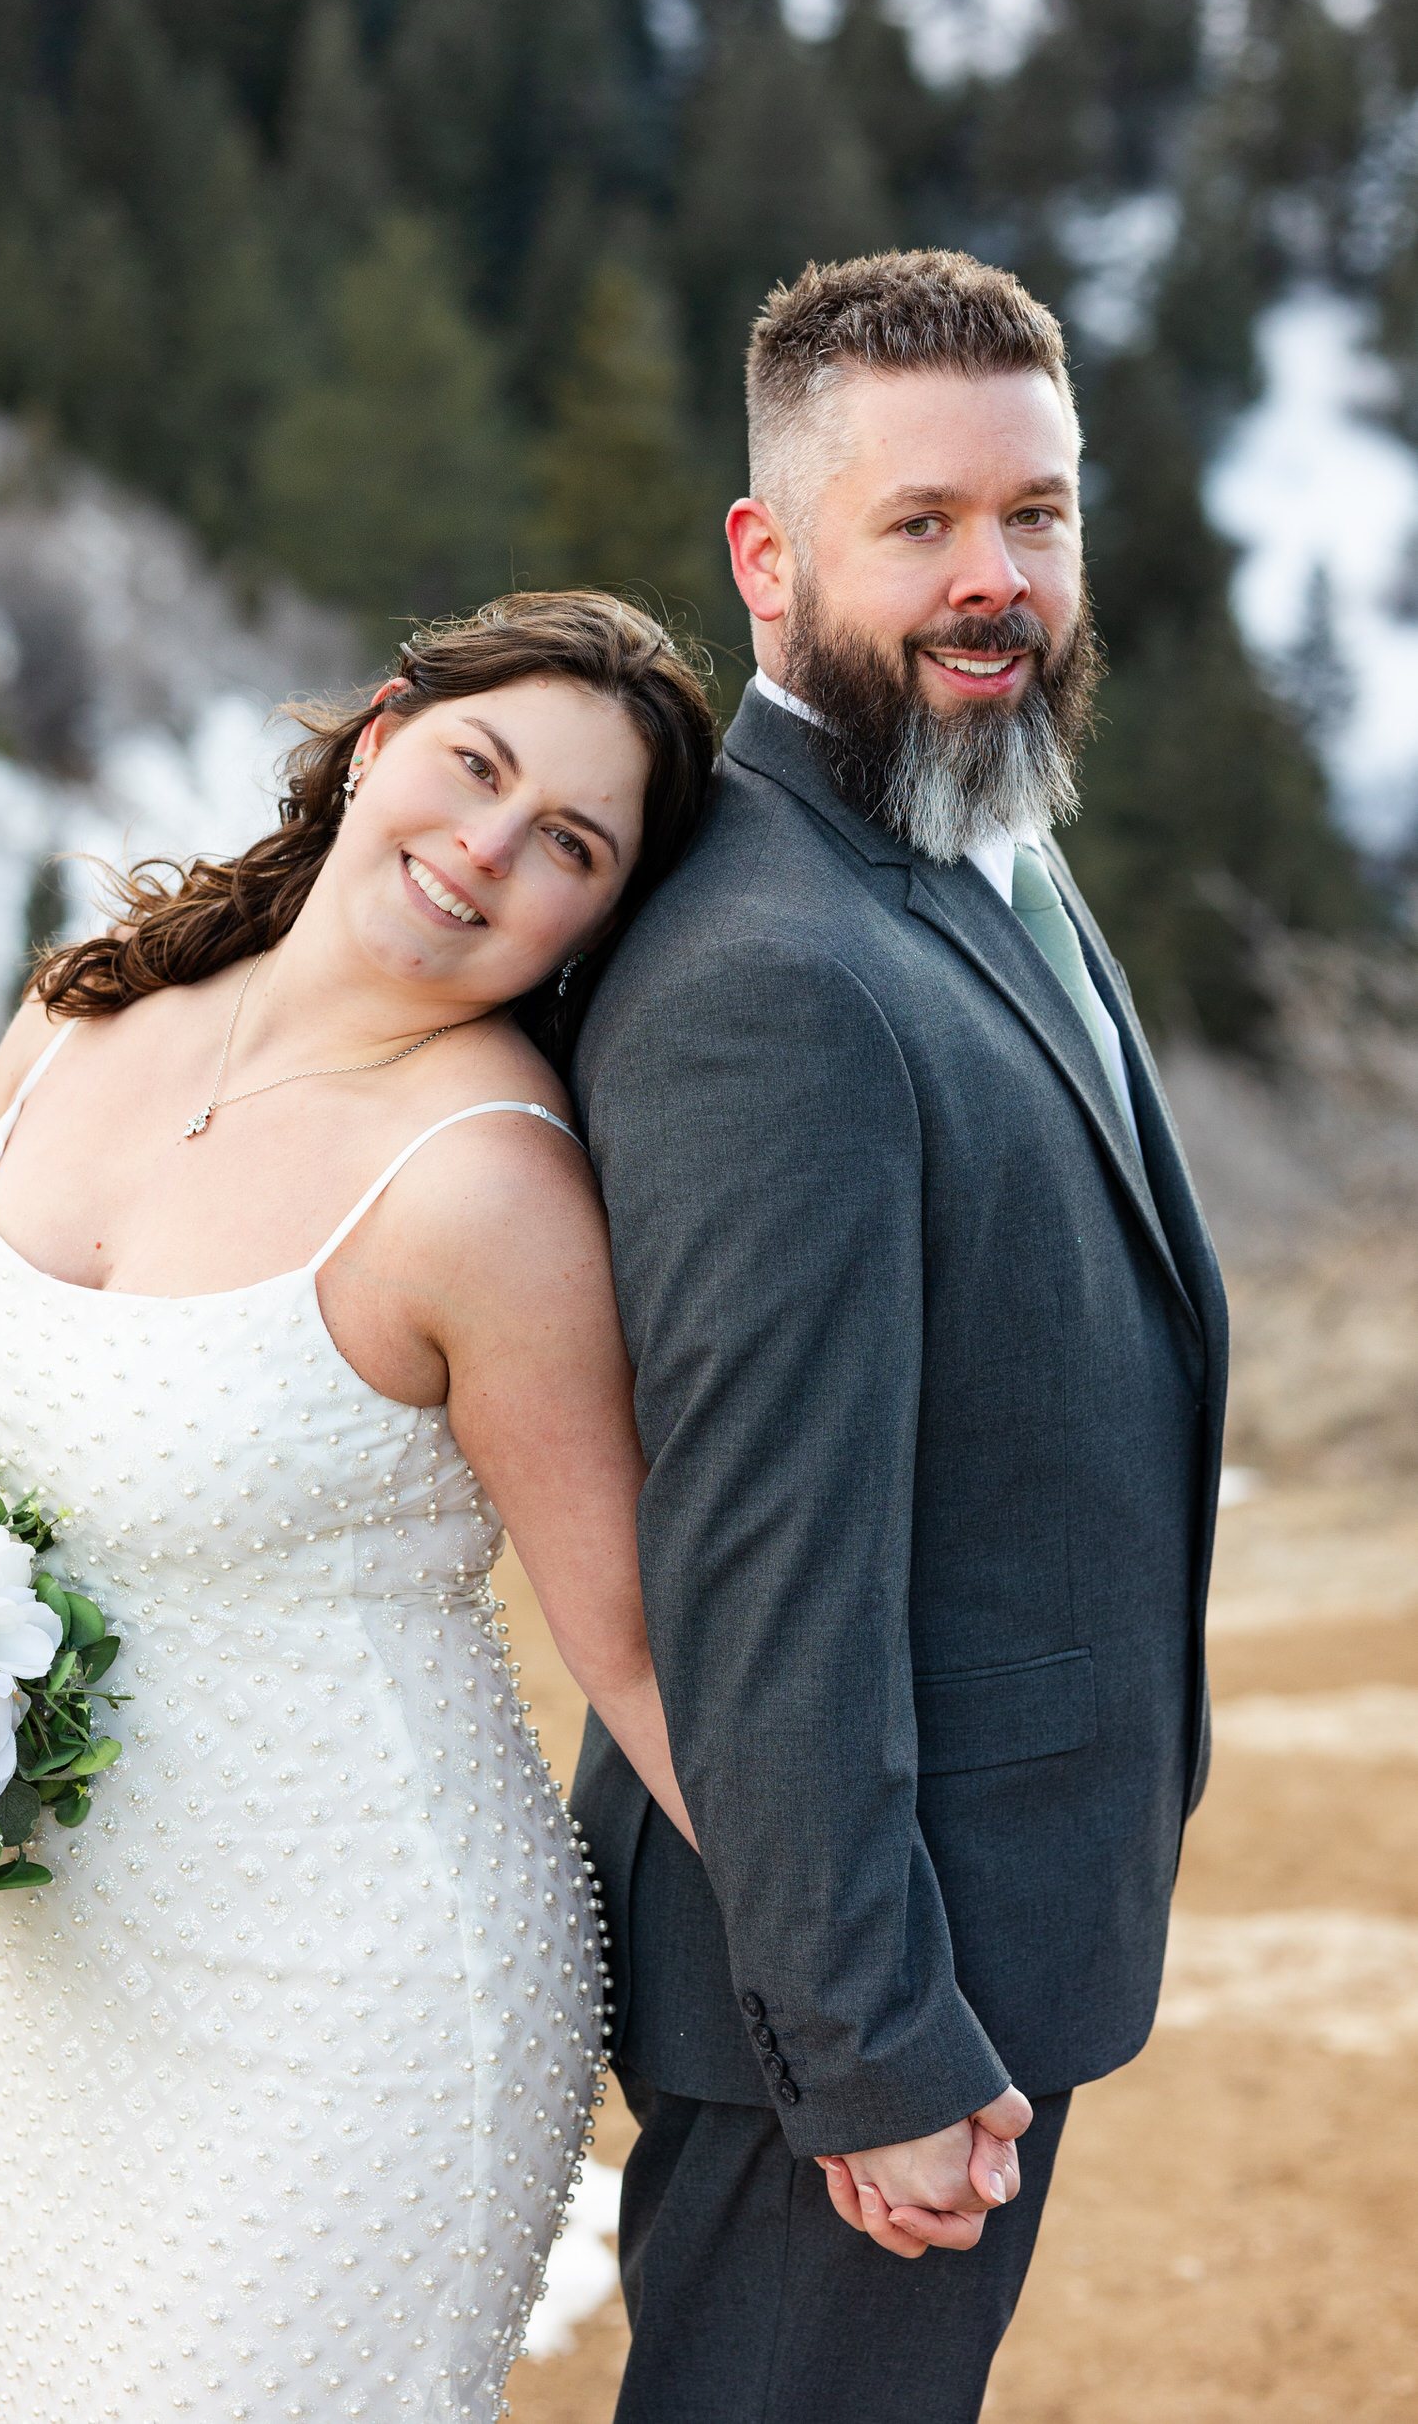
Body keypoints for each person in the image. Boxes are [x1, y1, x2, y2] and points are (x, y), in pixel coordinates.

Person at [0, 592, 717, 2424]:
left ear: (600, 916)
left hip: (359, 1999)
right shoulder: (78, 1014)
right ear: (382, 734)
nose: (488, 845)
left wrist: (877, 2027)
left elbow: (641, 1656)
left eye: (570, 843)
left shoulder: (487, 1189)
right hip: (66, 1981)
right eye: (475, 765)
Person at [572, 250, 1229, 2422]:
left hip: (983, 1922)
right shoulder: (770, 967)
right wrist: (871, 2044)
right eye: (921, 521)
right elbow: (759, 1573)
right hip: (847, 1982)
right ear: (768, 559)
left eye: (1035, 514)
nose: (994, 579)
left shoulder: (965, 825)